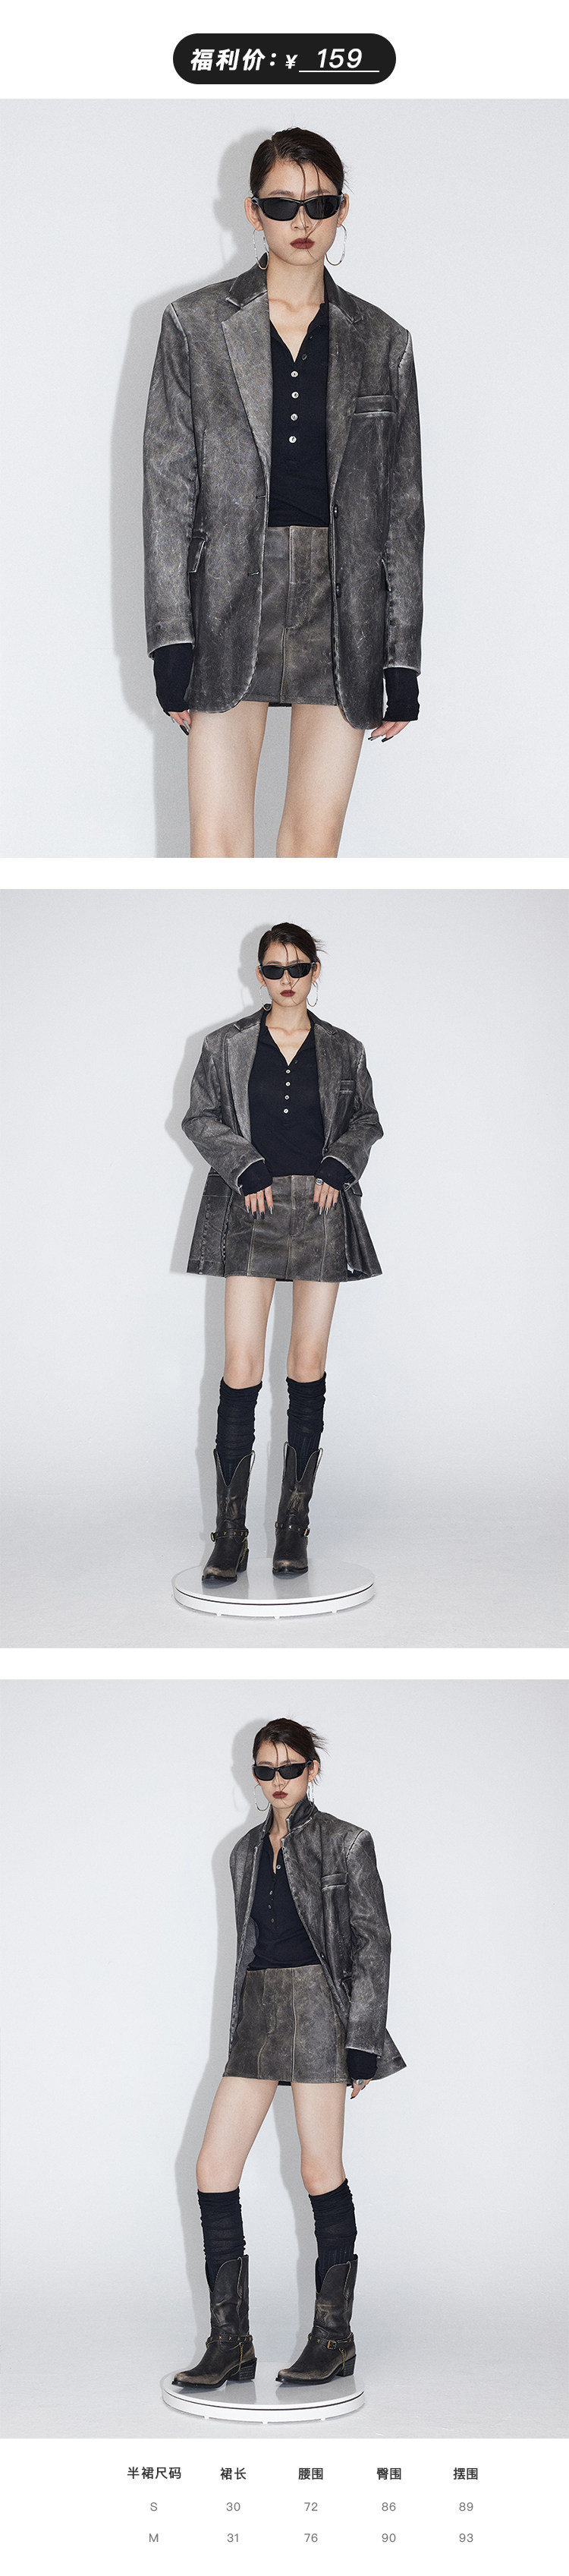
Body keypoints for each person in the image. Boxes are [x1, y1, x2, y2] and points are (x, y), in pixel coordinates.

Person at [143, 125, 424, 857]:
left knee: (313, 844)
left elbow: (403, 510)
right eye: (281, 204)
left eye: (320, 203)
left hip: (345, 606)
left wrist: (403, 655)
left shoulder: (384, 341)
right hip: (230, 595)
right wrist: (172, 640)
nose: (302, 221)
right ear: (252, 211)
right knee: (218, 844)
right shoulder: (195, 327)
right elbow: (168, 491)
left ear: (342, 210)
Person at [171, 1723, 404, 2392]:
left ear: (313, 1769)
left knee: (318, 2167)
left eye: (292, 1767)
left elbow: (374, 1943)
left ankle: (334, 2338)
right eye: (266, 1769)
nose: (278, 1780)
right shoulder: (243, 1851)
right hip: (259, 2011)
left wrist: (362, 2041)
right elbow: (249, 1948)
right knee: (212, 2168)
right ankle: (230, 2343)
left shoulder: (346, 1841)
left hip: (320, 2010)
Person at [182, 920, 383, 1584]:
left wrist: (339, 1164)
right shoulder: (226, 1045)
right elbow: (200, 1116)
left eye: (299, 967)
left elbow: (366, 1120)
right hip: (252, 1211)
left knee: (306, 1363)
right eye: (275, 968)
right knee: (241, 1367)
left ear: (315, 971)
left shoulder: (345, 1048)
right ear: (259, 974)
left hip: (321, 1212)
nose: (287, 979)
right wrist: (244, 1167)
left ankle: (294, 1525)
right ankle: (230, 1534)